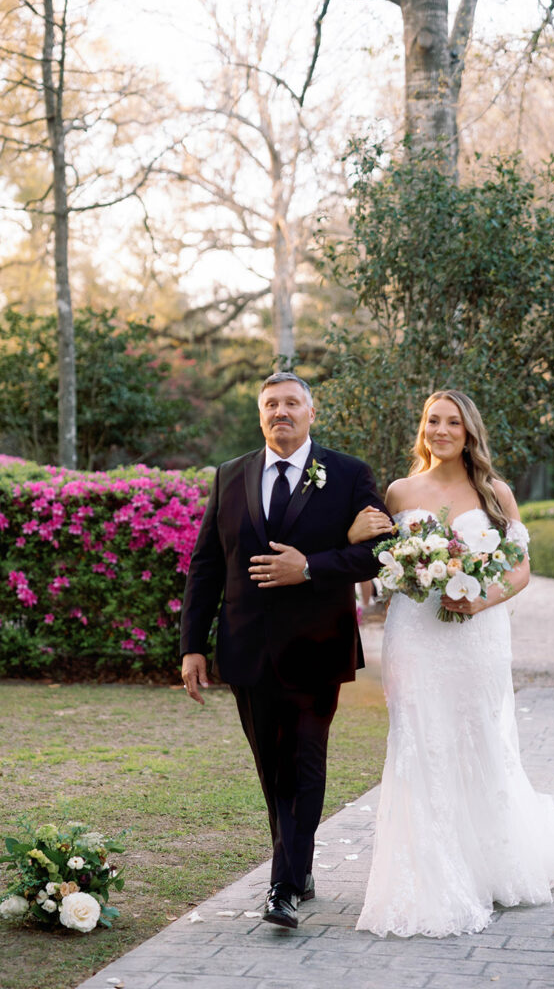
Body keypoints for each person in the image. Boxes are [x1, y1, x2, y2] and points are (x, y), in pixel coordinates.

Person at [346, 389, 554, 938]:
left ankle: (486, 862)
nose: (440, 430)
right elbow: (370, 566)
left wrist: (478, 598)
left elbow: (520, 570)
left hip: (478, 632)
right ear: (422, 428)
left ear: (469, 431)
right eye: (432, 421)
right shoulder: (398, 491)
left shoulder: (494, 492)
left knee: (477, 736)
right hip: (415, 633)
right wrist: (357, 543)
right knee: (419, 739)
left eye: (452, 422)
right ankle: (429, 873)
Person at [180, 372, 388, 929]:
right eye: (271, 404)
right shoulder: (230, 475)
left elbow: (380, 554)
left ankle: (284, 887)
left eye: (292, 403)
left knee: (304, 763)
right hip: (247, 649)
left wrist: (312, 567)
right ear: (261, 414)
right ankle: (299, 865)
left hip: (317, 649)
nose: (281, 412)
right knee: (271, 768)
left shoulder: (348, 475)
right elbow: (205, 565)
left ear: (311, 412)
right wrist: (191, 647)